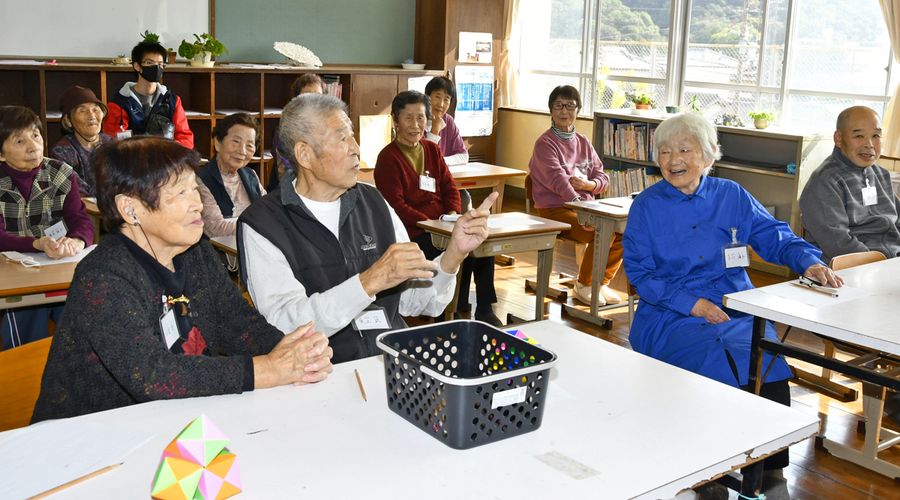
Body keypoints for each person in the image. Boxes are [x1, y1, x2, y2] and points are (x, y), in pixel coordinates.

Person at [31, 137, 333, 422]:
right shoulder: (103, 277)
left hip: (179, 422)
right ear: (130, 208)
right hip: (93, 435)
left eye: (194, 189)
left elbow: (237, 322)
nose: (197, 204)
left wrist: (295, 354)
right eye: (179, 193)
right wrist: (268, 369)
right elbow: (153, 375)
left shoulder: (195, 252)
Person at [622, 112, 842, 472]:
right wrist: (693, 305)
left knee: (768, 368)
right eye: (664, 151)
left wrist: (807, 262)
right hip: (671, 315)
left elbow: (774, 235)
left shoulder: (732, 195)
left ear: (708, 154)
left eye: (684, 149)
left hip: (735, 308)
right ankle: (706, 474)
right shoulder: (647, 206)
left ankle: (766, 475)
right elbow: (641, 274)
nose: (673, 160)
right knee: (709, 376)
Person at [239, 93, 497, 363]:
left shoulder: (373, 202)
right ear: (304, 155)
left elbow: (418, 302)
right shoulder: (263, 224)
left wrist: (454, 254)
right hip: (321, 372)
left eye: (352, 136)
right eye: (342, 139)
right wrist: (370, 281)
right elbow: (286, 324)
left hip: (390, 362)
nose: (356, 148)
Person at [375, 91, 502, 326]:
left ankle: (484, 308)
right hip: (414, 231)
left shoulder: (432, 150)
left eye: (421, 118)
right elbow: (396, 205)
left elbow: (449, 187)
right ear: (395, 120)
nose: (415, 125)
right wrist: (429, 223)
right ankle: (444, 313)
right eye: (408, 118)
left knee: (479, 244)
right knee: (443, 249)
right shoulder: (388, 158)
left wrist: (452, 214)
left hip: (443, 222)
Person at [0, 106, 94, 350]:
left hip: (57, 266)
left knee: (82, 313)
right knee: (25, 310)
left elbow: (81, 220)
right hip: (12, 273)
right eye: (19, 141)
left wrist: (77, 241)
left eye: (36, 135)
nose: (33, 147)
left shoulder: (60, 173)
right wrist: (37, 244)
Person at [528, 85, 623, 306]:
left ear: (578, 110)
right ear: (550, 110)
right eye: (558, 106)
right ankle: (585, 284)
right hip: (555, 209)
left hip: (586, 207)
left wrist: (590, 185)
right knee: (602, 230)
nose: (564, 111)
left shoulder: (583, 141)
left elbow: (602, 176)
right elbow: (558, 180)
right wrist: (581, 204)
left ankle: (600, 282)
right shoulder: (545, 143)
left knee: (623, 232)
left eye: (570, 106)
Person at [799, 106, 900, 263]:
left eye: (876, 135)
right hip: (850, 268)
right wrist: (880, 264)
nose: (869, 144)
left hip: (889, 262)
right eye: (859, 136)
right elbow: (838, 244)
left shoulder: (881, 174)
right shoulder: (825, 182)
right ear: (839, 139)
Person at [102, 40, 194, 148]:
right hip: (132, 157)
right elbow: (113, 143)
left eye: (160, 64)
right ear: (137, 66)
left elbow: (185, 138)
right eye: (150, 63)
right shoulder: (119, 103)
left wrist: (170, 150)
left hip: (165, 156)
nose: (156, 68)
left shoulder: (172, 101)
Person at [197, 113, 265, 237]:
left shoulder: (251, 175)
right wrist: (260, 226)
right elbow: (215, 228)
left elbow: (268, 211)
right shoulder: (201, 179)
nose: (242, 151)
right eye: (236, 141)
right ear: (218, 143)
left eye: (249, 145)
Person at [49, 86, 114, 196]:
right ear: (68, 121)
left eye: (95, 109)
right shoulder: (61, 151)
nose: (92, 116)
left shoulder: (112, 144)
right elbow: (77, 191)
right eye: (82, 111)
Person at [268, 74, 326, 192]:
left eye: (317, 96)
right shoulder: (285, 129)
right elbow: (285, 172)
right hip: (290, 189)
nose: (313, 101)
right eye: (306, 96)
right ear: (296, 101)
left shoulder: (329, 127)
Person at [424, 76, 468, 166]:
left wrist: (440, 161)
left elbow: (463, 156)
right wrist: (435, 130)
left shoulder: (448, 120)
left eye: (446, 99)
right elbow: (425, 159)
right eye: (437, 97)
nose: (441, 104)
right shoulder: (417, 120)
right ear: (427, 97)